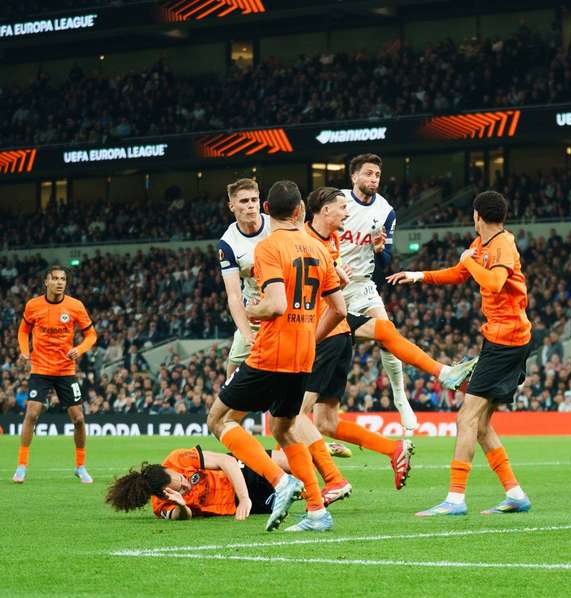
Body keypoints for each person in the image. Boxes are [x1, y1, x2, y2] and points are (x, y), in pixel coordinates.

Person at [299, 187, 477, 503]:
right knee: (326, 421)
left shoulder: (325, 241)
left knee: (295, 418)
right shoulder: (308, 241)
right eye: (341, 208)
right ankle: (392, 447)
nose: (346, 213)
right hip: (333, 327)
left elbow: (329, 291)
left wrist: (341, 276)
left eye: (345, 207)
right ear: (324, 211)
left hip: (324, 332)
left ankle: (329, 481)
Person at [206, 180, 347, 533]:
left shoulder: (269, 248)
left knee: (219, 420)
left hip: (272, 350)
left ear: (268, 209)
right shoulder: (317, 248)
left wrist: (255, 311)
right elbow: (340, 309)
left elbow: (277, 304)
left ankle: (279, 480)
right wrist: (311, 336)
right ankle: (317, 512)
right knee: (284, 428)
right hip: (304, 353)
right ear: (300, 211)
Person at [388, 191, 533, 516]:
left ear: (476, 214)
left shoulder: (502, 245)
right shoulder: (484, 243)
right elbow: (459, 273)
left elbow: (494, 283)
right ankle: (515, 494)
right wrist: (419, 276)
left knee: (465, 417)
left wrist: (467, 260)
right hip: (503, 339)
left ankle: (455, 499)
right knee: (480, 425)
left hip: (506, 342)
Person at [340, 153, 417, 432]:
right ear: (354, 176)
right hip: (332, 285)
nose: (373, 179)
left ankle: (400, 396)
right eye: (368, 174)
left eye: (377, 175)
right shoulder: (337, 201)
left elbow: (385, 263)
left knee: (387, 331)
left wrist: (378, 250)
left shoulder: (386, 211)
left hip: (362, 284)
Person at [13, 266, 97, 484]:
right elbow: (23, 331)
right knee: (32, 414)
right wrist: (24, 350)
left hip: (65, 371)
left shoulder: (75, 306)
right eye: (56, 279)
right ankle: (22, 466)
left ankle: (80, 466)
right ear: (46, 282)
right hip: (40, 369)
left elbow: (91, 335)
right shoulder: (33, 305)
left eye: (63, 279)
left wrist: (80, 349)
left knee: (78, 419)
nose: (60, 282)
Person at [106, 446, 296, 520]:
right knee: (288, 493)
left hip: (236, 476)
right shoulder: (161, 506)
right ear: (164, 493)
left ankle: (319, 457)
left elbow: (226, 461)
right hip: (233, 506)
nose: (185, 485)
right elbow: (183, 516)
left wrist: (245, 498)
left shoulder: (178, 458)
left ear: (168, 469)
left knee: (288, 463)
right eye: (180, 488)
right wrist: (180, 505)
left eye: (181, 479)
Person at [217, 178, 269, 380]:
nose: (250, 206)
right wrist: (248, 336)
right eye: (244, 201)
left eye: (254, 200)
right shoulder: (228, 243)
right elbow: (233, 296)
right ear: (231, 206)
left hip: (284, 305)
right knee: (232, 375)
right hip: (253, 310)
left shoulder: (275, 226)